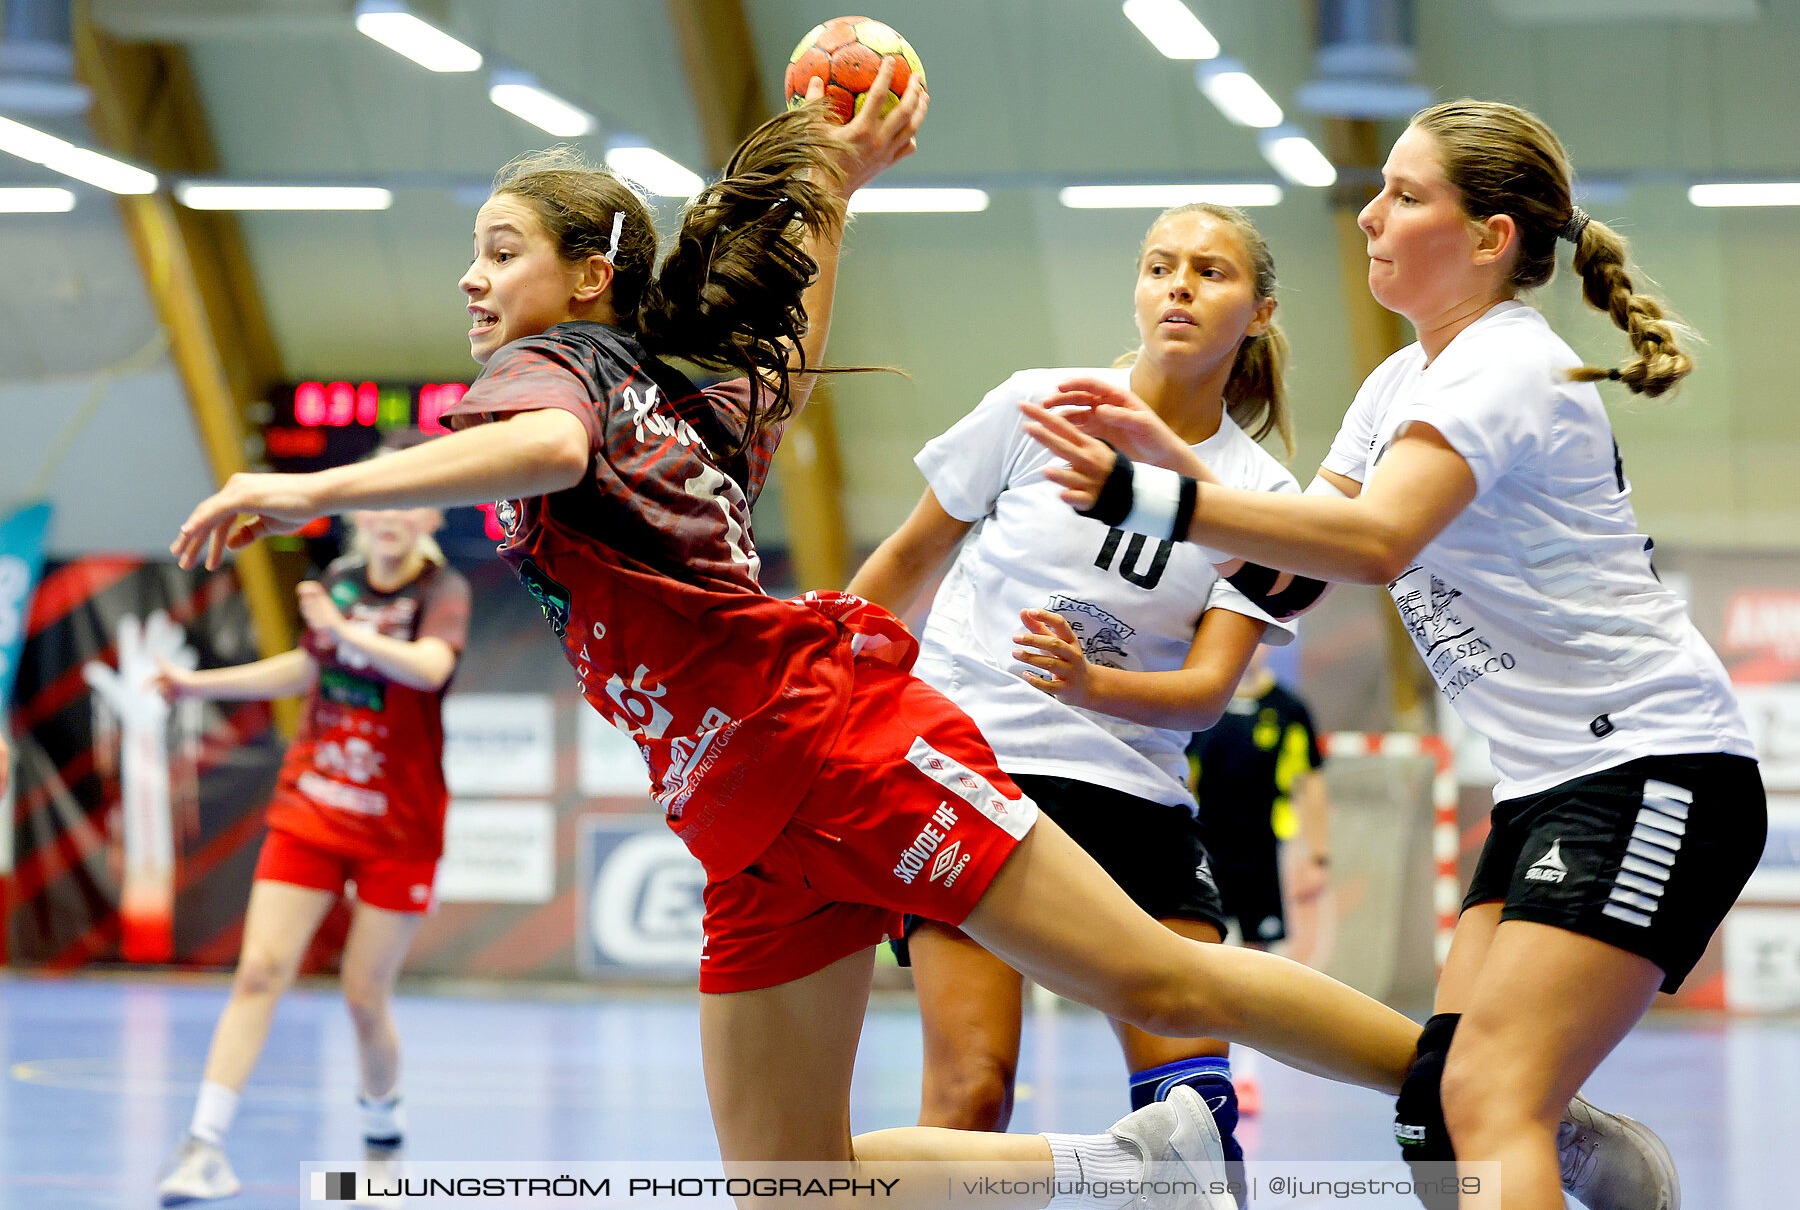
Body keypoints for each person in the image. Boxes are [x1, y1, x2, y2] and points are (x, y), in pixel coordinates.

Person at [169, 65, 1431, 1209]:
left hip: (830, 750)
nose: (471, 277)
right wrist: (834, 180)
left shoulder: (546, 375)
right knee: (791, 1185)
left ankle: (1471, 1091)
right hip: (742, 814)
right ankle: (1123, 1170)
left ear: (588, 278)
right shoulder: (681, 399)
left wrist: (304, 491)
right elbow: (792, 343)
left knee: (1166, 983)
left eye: (500, 250)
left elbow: (550, 449)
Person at [1021, 97, 1764, 1210]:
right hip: (1550, 789)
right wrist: (1164, 467)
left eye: (1405, 195)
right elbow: (1293, 568)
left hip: (1655, 770)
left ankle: (1578, 1157)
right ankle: (1600, 1173)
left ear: (1486, 239)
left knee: (1491, 1102)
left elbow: (1373, 542)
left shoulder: (1507, 365)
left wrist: (1154, 492)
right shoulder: (1399, 380)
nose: (1369, 215)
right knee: (1433, 1108)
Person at [847, 201, 1300, 1170]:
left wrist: (1091, 684)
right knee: (971, 1093)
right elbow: (907, 559)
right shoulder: (1035, 405)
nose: (1178, 285)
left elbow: (1208, 694)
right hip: (970, 771)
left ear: (1259, 312)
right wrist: (825, 695)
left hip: (1131, 796)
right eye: (1159, 266)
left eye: (1210, 272)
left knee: (1199, 1116)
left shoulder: (1265, 502)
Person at [155, 500, 470, 1205]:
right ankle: (203, 1144)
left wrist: (344, 630)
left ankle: (383, 1140)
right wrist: (196, 685)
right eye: (380, 502)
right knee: (261, 969)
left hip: (401, 824)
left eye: (410, 503)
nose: (392, 515)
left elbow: (427, 668)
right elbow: (307, 668)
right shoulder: (342, 579)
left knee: (364, 995)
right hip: (315, 805)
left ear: (431, 520)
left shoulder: (441, 592)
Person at [1187, 645, 1330, 955]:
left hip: (1262, 851)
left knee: (1258, 953)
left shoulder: (1289, 708)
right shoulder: (1202, 702)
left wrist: (1318, 857)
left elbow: (1311, 785)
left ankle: (1248, 1007)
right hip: (1205, 850)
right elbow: (1183, 777)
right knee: (1202, 949)